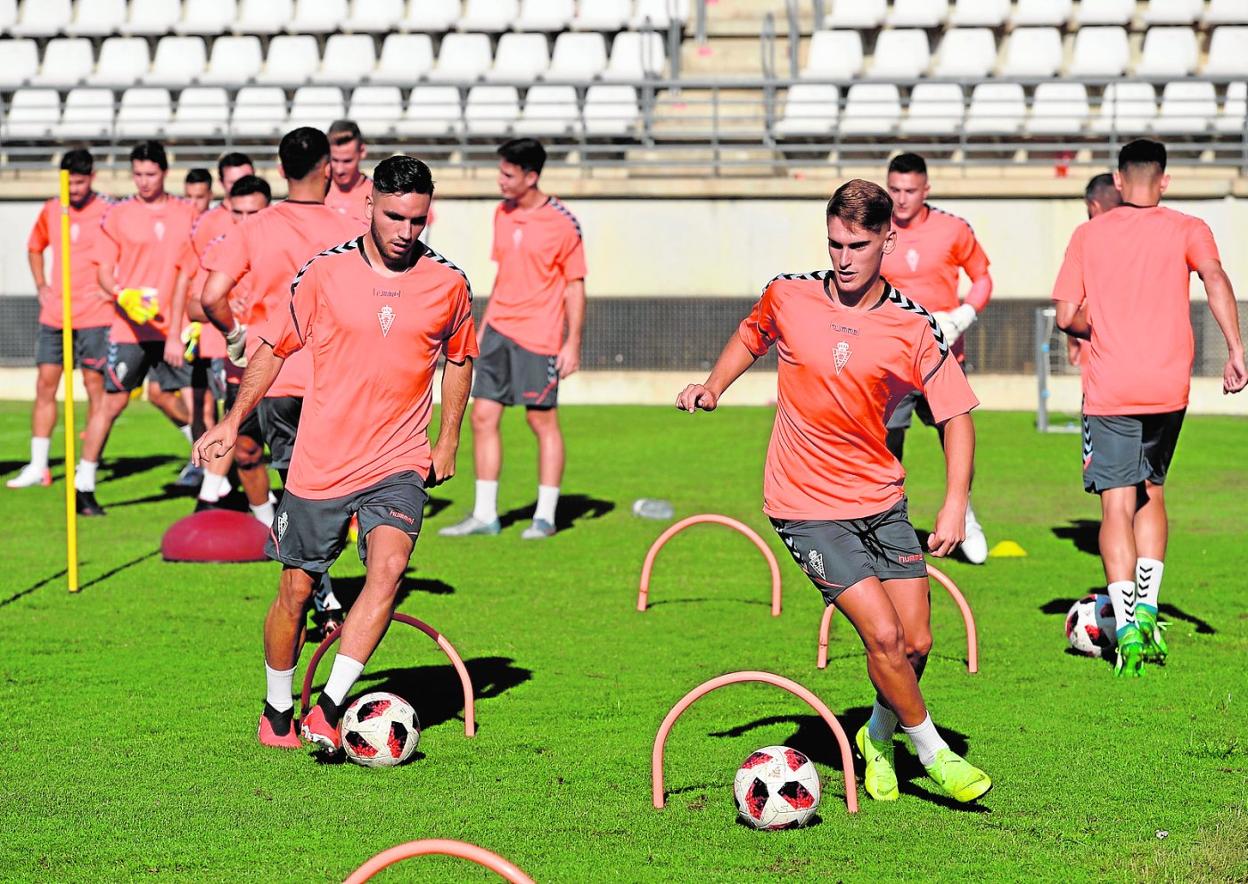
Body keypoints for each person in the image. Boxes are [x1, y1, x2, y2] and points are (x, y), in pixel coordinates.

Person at [676, 179, 992, 804]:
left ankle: (877, 735)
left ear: (887, 240)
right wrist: (713, 386)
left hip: (881, 500)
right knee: (883, 637)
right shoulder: (789, 294)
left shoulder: (913, 325)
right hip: (804, 505)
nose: (844, 258)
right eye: (835, 244)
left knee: (916, 642)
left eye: (858, 245)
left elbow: (956, 415)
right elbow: (751, 335)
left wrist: (955, 501)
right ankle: (934, 753)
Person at [191, 155, 477, 753]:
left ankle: (328, 709)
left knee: (389, 569)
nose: (406, 231)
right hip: (321, 461)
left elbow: (459, 358)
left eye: (418, 220)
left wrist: (448, 437)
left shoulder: (449, 283)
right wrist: (232, 420)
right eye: (395, 216)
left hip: (398, 458)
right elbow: (272, 348)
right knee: (296, 592)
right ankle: (277, 710)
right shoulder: (322, 273)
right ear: (369, 203)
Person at [1052, 139, 1246, 677]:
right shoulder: (1189, 228)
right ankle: (1149, 609)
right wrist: (1236, 349)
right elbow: (1215, 278)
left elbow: (1066, 314)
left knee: (1116, 504)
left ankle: (1128, 628)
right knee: (1152, 491)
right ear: (1164, 180)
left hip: (1111, 387)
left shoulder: (1090, 233)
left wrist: (1102, 325)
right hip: (1168, 387)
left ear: (1117, 180)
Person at [199, 127, 364, 633]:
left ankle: (322, 595)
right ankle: (327, 594)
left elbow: (211, 296)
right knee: (336, 490)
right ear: (327, 169)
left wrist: (235, 336)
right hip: (340, 382)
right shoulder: (352, 228)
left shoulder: (255, 227)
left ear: (279, 169)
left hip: (279, 378)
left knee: (300, 491)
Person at [441, 138, 586, 540]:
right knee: (482, 417)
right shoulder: (501, 214)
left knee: (541, 421)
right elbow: (506, 275)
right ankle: (485, 515)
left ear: (531, 176)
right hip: (497, 332)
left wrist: (572, 342)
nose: (500, 180)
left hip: (539, 337)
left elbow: (575, 285)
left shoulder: (563, 222)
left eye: (508, 174)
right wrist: (483, 329)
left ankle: (545, 516)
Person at [74, 141, 198, 516]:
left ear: (164, 173)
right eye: (138, 174)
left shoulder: (187, 213)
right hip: (131, 328)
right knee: (112, 402)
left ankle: (213, 475)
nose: (144, 181)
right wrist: (121, 294)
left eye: (150, 174)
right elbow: (103, 270)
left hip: (177, 327)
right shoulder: (118, 215)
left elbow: (199, 264)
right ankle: (83, 484)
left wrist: (195, 317)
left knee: (193, 401)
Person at [881, 153, 993, 564]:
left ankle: (964, 512)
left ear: (925, 190)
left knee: (954, 436)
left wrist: (964, 315)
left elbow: (982, 278)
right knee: (886, 442)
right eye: (894, 189)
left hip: (942, 358)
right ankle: (885, 521)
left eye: (910, 190)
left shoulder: (953, 229)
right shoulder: (878, 228)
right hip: (891, 360)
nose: (901, 198)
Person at [8, 149, 114, 490]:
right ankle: (38, 465)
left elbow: (127, 251)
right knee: (45, 384)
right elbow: (34, 247)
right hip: (56, 315)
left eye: (81, 182)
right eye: (70, 182)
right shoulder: (52, 209)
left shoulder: (109, 210)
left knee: (95, 387)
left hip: (96, 315)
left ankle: (88, 466)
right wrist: (41, 285)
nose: (75, 189)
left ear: (92, 178)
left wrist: (111, 290)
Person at [172, 172, 272, 513]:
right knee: (245, 451)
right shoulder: (220, 250)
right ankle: (260, 521)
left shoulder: (286, 247)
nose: (245, 221)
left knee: (298, 457)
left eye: (253, 213)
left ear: (269, 210)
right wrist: (225, 310)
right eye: (238, 213)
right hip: (240, 368)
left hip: (290, 370)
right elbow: (194, 305)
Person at [1065, 174, 1123, 368]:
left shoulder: (1085, 238)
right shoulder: (1146, 237)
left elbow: (1068, 309)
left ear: (1093, 204)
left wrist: (1072, 340)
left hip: (1097, 345)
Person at [325, 120, 372, 226]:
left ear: (362, 151)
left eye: (347, 161)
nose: (339, 170)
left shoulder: (377, 195)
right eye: (334, 160)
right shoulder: (314, 192)